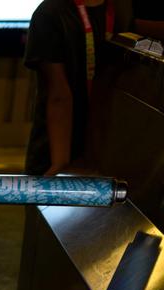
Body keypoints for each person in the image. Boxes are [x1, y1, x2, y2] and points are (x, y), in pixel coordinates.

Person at [23, 0, 127, 176]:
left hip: (57, 149)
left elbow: (59, 95)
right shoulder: (120, 11)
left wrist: (59, 163)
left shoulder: (48, 13)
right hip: (103, 148)